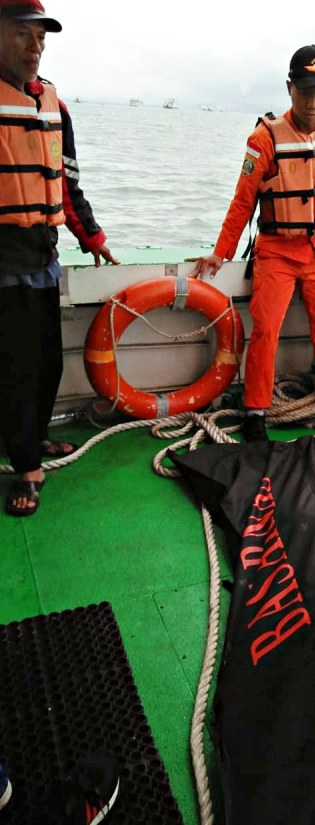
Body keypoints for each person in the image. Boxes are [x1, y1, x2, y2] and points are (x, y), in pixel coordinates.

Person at [194, 45, 315, 447]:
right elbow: (242, 201)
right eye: (306, 92)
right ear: (289, 89)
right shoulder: (263, 137)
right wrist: (222, 251)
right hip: (277, 253)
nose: (313, 102)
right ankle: (255, 412)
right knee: (265, 330)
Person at [0, 0, 118, 518]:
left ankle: (35, 438)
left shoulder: (55, 106)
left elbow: (67, 184)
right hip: (2, 264)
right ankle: (25, 465)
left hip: (43, 257)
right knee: (15, 367)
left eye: (41, 38)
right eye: (24, 34)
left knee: (47, 361)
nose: (35, 47)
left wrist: (91, 237)